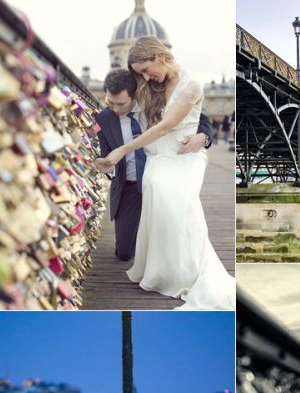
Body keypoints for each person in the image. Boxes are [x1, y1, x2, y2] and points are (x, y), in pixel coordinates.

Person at [98, 37, 235, 311]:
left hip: (180, 155)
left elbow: (189, 121)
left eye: (146, 70)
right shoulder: (121, 103)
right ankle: (159, 266)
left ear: (159, 56)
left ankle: (183, 269)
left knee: (175, 198)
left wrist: (203, 137)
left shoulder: (184, 84)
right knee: (126, 248)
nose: (146, 78)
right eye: (139, 75)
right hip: (140, 173)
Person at [95, 69, 213, 261]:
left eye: (120, 104)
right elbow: (106, 154)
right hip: (129, 185)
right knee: (124, 253)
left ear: (134, 96)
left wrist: (204, 136)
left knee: (167, 240)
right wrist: (108, 167)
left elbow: (199, 117)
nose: (114, 109)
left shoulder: (153, 101)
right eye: (110, 102)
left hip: (162, 175)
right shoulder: (103, 119)